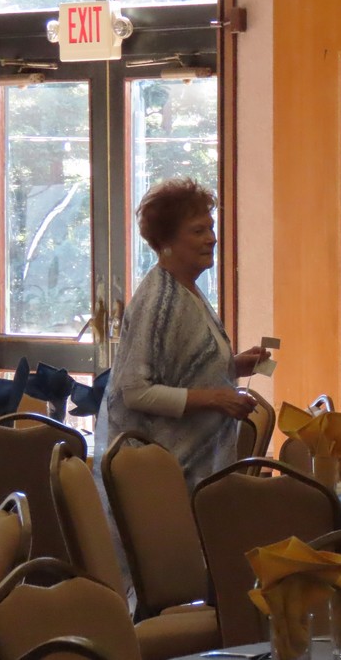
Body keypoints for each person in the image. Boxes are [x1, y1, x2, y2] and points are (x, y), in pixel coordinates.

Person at [104, 178, 269, 490]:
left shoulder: (186, 289)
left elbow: (178, 372)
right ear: (166, 241)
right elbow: (135, 391)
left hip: (190, 469)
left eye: (211, 228)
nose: (212, 239)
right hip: (164, 477)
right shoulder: (159, 300)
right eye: (198, 231)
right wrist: (215, 398)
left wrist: (233, 365)